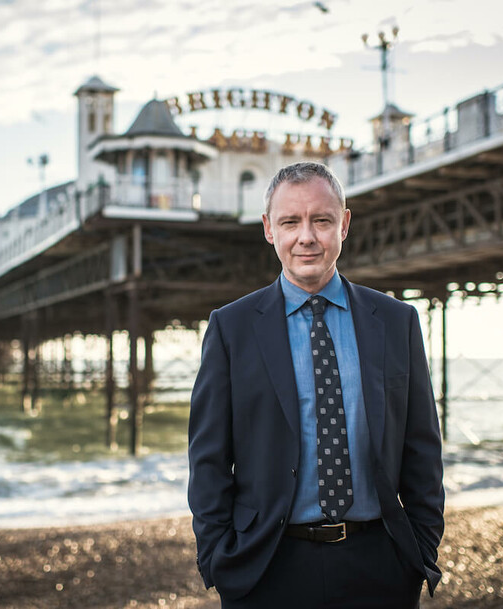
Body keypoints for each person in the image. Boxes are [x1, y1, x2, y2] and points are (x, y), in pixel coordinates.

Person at [187, 161, 445, 608]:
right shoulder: (231, 328)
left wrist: (421, 549)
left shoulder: (396, 321)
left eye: (321, 220)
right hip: (266, 566)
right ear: (269, 229)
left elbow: (422, 448)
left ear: (343, 224)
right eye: (290, 221)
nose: (306, 236)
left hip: (379, 565)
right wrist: (217, 557)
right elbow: (208, 459)